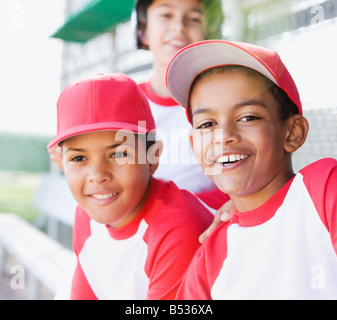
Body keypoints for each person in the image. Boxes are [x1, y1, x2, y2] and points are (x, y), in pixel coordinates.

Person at [166, 40, 337, 299]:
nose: (223, 136)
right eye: (207, 124)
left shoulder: (324, 190)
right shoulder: (210, 257)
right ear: (193, 145)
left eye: (248, 117)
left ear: (292, 132)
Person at [47, 73, 214, 300]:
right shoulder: (86, 215)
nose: (98, 176)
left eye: (118, 154)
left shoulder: (178, 228)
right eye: (78, 158)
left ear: (153, 157)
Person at [135, 0, 229, 209]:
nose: (179, 26)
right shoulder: (126, 101)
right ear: (143, 31)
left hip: (203, 223)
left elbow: (237, 183)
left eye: (194, 18)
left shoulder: (222, 101)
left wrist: (176, 210)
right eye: (166, 15)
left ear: (208, 34)